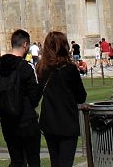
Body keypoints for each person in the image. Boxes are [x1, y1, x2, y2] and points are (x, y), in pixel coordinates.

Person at [0, 29, 42, 167]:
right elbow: (34, 96)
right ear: (25, 45)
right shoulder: (25, 67)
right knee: (34, 162)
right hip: (26, 119)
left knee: (16, 161)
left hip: (7, 120)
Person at [36, 32, 86, 167]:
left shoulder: (41, 68)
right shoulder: (70, 69)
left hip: (49, 122)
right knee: (66, 162)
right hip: (67, 121)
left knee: (55, 162)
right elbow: (81, 96)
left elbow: (37, 94)